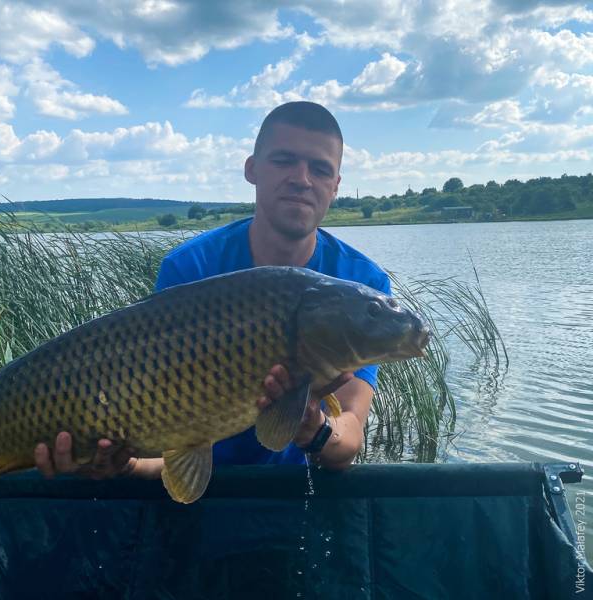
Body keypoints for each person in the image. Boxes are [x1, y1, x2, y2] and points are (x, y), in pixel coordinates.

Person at [34, 101, 390, 481]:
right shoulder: (191, 268)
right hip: (203, 489)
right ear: (252, 169)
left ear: (335, 186)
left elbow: (348, 437)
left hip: (291, 492)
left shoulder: (361, 287)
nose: (302, 179)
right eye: (284, 160)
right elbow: (173, 446)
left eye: (320, 169)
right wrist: (126, 462)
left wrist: (313, 427)